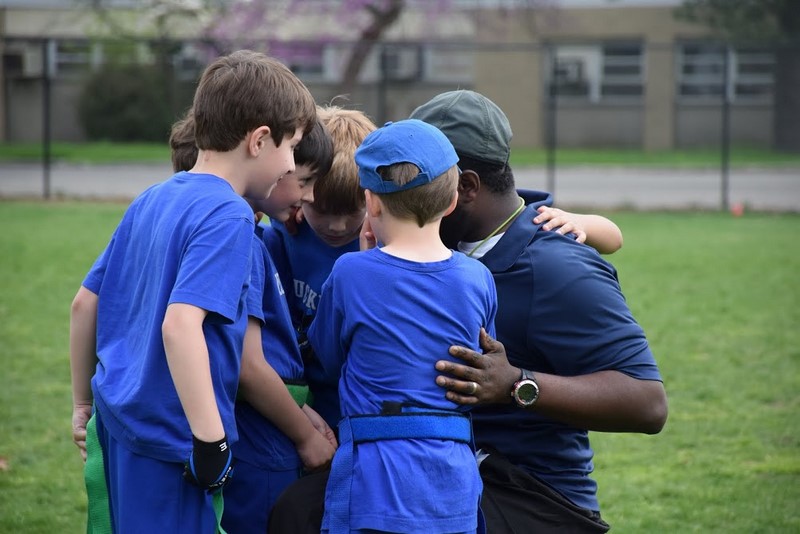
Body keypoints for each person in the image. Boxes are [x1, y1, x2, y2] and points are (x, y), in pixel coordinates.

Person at [69, 50, 317, 533]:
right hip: (174, 447)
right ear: (260, 140)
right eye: (292, 148)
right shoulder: (229, 216)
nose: (291, 165)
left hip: (118, 430)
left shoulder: (153, 197)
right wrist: (211, 443)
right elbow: (181, 327)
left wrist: (82, 405)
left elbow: (84, 304)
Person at [409, 90, 668, 532]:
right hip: (451, 478)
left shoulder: (554, 266)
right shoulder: (443, 244)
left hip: (534, 498)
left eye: (417, 184)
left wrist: (517, 384)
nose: (403, 198)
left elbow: (647, 403)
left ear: (467, 187)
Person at [309, 119, 497, 533]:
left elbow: (326, 355)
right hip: (452, 480)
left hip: (374, 478)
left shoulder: (349, 273)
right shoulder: (477, 277)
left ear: (371, 203)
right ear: (451, 202)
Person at [168, 110, 339, 533]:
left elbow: (87, 302)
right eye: (302, 178)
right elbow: (248, 366)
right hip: (263, 445)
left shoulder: (186, 216)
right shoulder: (239, 234)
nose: (311, 195)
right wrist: (305, 435)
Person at [261, 104, 377, 431]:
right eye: (321, 209)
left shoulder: (388, 240)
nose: (337, 226)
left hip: (361, 402)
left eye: (352, 210)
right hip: (301, 399)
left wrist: (535, 210)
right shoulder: (283, 234)